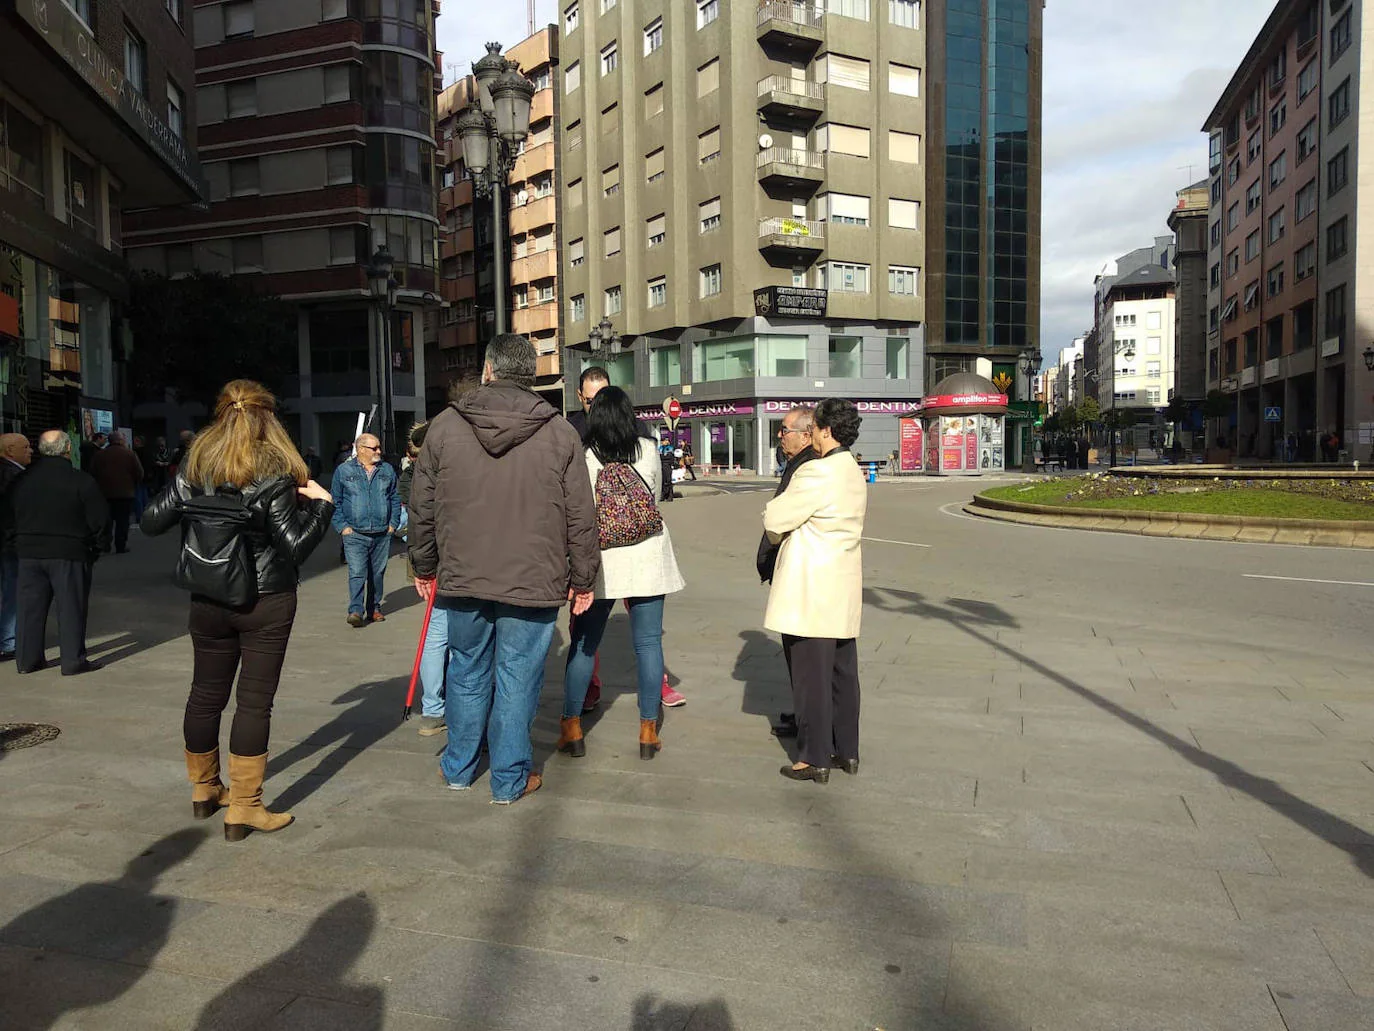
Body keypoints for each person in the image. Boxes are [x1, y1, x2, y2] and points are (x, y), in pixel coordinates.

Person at [409, 334, 600, 804]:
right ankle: (509, 779)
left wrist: (424, 563)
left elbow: (422, 504)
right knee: (518, 676)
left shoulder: (445, 427)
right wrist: (584, 578)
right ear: (530, 375)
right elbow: (581, 512)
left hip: (464, 573)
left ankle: (458, 767)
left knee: (467, 670)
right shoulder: (560, 432)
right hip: (533, 578)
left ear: (489, 370)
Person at [141, 380, 334, 841]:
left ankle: (205, 790)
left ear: (221, 413)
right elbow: (297, 547)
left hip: (206, 595)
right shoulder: (276, 469)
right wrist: (323, 508)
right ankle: (245, 807)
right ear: (269, 418)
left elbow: (151, 522)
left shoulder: (197, 463)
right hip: (264, 599)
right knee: (253, 702)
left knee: (205, 693)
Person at [558, 386, 685, 761]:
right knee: (648, 645)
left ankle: (571, 727)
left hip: (602, 561)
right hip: (648, 557)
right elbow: (659, 496)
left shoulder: (583, 457)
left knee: (584, 644)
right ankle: (647, 731)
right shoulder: (647, 450)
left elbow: (577, 512)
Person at [763, 399, 867, 784]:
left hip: (810, 586)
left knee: (811, 678)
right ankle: (847, 750)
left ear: (824, 430)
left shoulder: (818, 473)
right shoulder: (854, 470)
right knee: (842, 674)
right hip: (842, 583)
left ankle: (814, 757)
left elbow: (775, 518)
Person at [6, 430, 108, 676]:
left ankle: (27, 660)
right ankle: (72, 660)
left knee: (30, 608)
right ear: (67, 450)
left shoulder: (21, 480)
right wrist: (98, 546)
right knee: (71, 607)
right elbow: (99, 519)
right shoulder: (80, 480)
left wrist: (14, 543)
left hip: (29, 552)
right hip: (69, 552)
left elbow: (7, 516)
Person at [757, 406, 816, 740]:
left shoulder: (807, 466)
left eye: (785, 430)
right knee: (796, 651)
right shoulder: (797, 462)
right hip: (790, 565)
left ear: (806, 434)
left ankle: (808, 720)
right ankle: (804, 713)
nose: (780, 435)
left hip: (798, 568)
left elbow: (782, 518)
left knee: (802, 652)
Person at [399, 422, 447, 737]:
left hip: (438, 560)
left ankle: (433, 708)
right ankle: (437, 707)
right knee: (454, 638)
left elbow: (418, 524)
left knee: (438, 635)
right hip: (456, 561)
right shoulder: (420, 477)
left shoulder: (417, 476)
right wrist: (424, 568)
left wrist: (423, 567)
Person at [331, 433, 400, 627]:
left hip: (381, 532)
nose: (379, 451)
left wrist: (392, 524)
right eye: (375, 448)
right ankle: (355, 610)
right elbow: (335, 500)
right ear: (361, 449)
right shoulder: (343, 471)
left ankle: (374, 608)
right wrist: (342, 527)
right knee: (357, 572)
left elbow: (394, 498)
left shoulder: (386, 470)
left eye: (379, 447)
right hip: (355, 533)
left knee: (377, 574)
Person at [0, 433, 34, 662]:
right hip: (10, 543)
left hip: (6, 540)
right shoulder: (13, 476)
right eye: (26, 446)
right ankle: (8, 640)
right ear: (11, 450)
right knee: (14, 590)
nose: (31, 450)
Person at [91, 431, 145, 554]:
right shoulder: (130, 454)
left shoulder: (100, 454)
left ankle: (105, 544)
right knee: (122, 521)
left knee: (106, 520)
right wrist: (133, 483)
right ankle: (120, 545)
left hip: (104, 493)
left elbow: (93, 472)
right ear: (121, 441)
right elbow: (139, 473)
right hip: (125, 493)